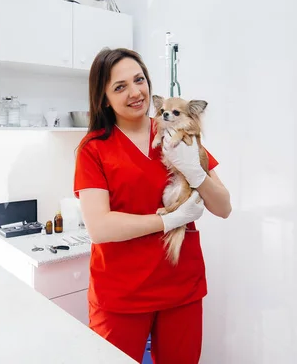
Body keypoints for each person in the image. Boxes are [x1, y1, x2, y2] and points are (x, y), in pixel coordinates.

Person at [73, 47, 231, 364]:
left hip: (180, 286)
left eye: (139, 80)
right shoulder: (93, 149)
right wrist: (169, 220)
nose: (135, 92)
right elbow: (100, 228)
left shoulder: (177, 130)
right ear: (103, 98)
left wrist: (196, 173)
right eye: (120, 87)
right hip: (121, 293)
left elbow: (223, 206)